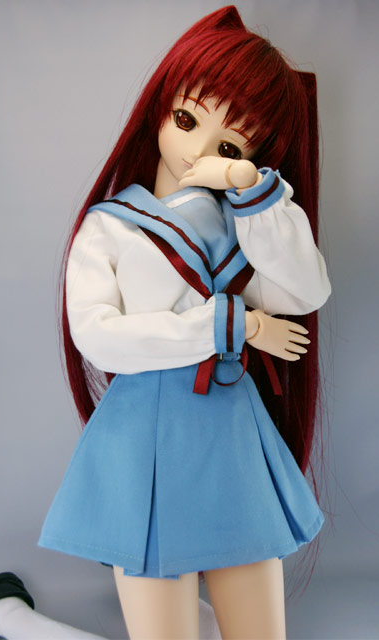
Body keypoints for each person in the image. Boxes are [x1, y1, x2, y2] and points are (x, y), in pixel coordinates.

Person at [36, 6, 331, 639]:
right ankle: (9, 618)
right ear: (161, 108)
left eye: (228, 146)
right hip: (143, 437)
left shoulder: (243, 223)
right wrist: (233, 326)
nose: (198, 152)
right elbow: (100, 336)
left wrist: (251, 188)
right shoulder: (109, 228)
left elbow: (304, 290)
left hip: (229, 433)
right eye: (187, 120)